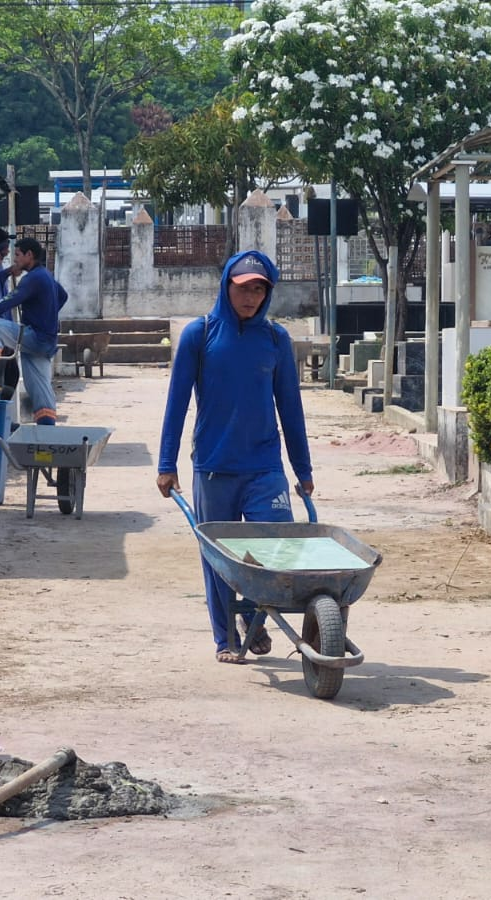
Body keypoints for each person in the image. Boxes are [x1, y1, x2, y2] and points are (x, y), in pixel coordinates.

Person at [155, 251, 314, 664]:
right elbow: (177, 404)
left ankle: (255, 622)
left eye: (259, 289)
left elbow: (290, 408)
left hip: (265, 467)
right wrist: (166, 464)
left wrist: (303, 469)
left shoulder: (276, 340)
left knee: (277, 548)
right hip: (214, 466)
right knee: (219, 559)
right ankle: (225, 639)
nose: (251, 297)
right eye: (243, 288)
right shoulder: (199, 334)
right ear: (227, 286)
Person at [0, 236, 66, 425]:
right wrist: (47, 313)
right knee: (39, 388)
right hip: (46, 341)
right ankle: (47, 429)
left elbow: (9, 301)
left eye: (18, 254)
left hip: (35, 337)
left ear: (30, 255)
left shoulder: (33, 278)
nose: (15, 259)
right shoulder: (45, 275)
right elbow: (63, 295)